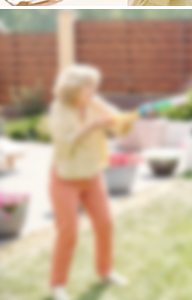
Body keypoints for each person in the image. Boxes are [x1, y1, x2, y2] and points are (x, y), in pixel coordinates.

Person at [46, 65, 128, 300]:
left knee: (105, 224)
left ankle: (106, 271)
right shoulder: (59, 108)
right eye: (89, 86)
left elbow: (117, 119)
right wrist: (93, 125)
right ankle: (58, 285)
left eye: (95, 85)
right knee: (68, 231)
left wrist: (127, 118)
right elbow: (64, 142)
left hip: (91, 175)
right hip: (64, 177)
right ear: (74, 88)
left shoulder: (93, 102)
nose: (94, 90)